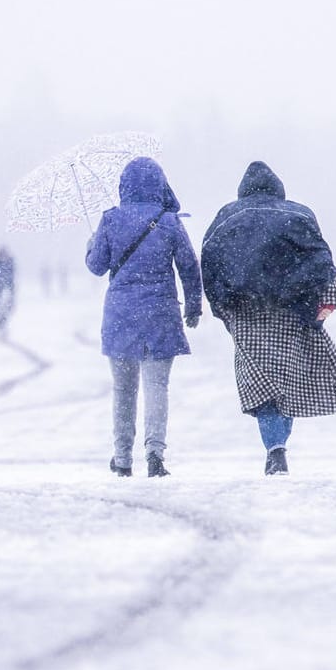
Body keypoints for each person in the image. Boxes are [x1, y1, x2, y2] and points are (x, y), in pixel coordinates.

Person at [200, 162, 336, 475]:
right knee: (286, 379)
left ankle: (274, 447)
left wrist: (220, 306)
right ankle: (279, 445)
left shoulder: (226, 217)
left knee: (260, 380)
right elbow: (321, 260)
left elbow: (209, 264)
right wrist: (326, 301)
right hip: (291, 308)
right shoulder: (298, 214)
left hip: (245, 309)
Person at [84, 157, 201, 478]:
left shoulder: (110, 220)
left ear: (124, 186)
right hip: (160, 312)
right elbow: (189, 267)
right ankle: (155, 453)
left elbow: (97, 267)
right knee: (157, 386)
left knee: (123, 390)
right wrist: (193, 306)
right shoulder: (169, 221)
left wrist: (91, 243)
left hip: (121, 314)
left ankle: (122, 458)